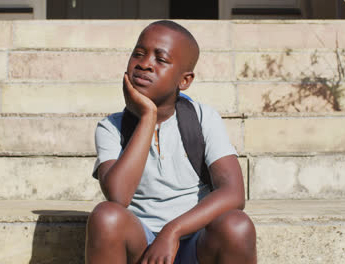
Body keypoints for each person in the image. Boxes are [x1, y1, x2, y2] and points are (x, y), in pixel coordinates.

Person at [85, 20, 257, 264]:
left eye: (161, 60)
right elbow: (118, 196)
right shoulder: (111, 127)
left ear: (184, 80)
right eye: (139, 54)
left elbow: (234, 193)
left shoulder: (202, 118)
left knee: (237, 225)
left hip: (195, 241)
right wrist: (147, 117)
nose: (144, 64)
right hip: (140, 247)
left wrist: (172, 231)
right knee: (105, 216)